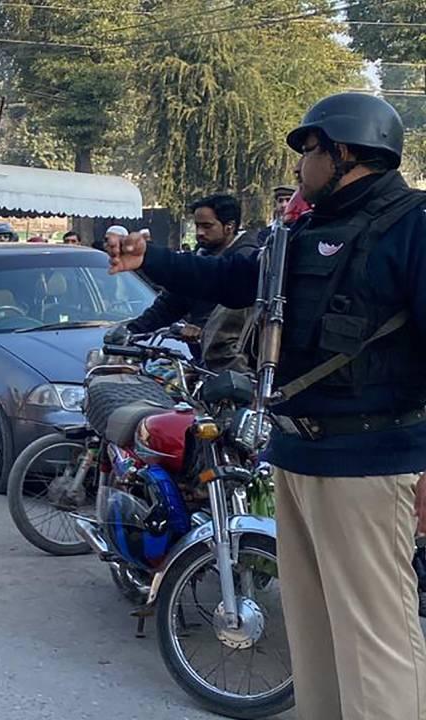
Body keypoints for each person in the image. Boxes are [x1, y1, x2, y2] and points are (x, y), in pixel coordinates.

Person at [107, 92, 426, 720]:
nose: (301, 164)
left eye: (310, 149)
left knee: (375, 637)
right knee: (313, 632)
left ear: (346, 151)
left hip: (370, 458)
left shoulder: (413, 224)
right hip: (297, 451)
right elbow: (235, 278)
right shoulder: (308, 229)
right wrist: (153, 261)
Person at [116, 194, 259, 372]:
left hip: (236, 366)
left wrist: (201, 330)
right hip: (202, 361)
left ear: (229, 227)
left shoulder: (246, 260)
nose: (199, 233)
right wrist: (131, 330)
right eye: (197, 226)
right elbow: (171, 303)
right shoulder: (202, 254)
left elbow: (234, 318)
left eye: (207, 226)